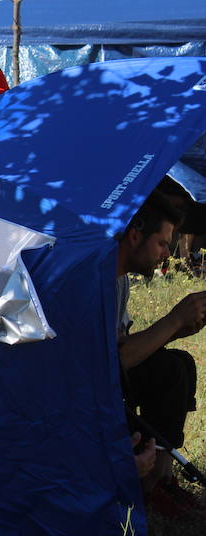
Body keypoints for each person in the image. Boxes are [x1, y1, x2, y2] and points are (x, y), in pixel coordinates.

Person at [116, 190, 206, 511]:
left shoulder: (120, 281)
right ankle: (149, 484)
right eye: (162, 243)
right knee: (169, 370)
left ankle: (161, 477)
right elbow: (110, 363)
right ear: (135, 236)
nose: (167, 254)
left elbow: (124, 346)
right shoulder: (96, 280)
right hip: (84, 391)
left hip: (106, 376)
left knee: (179, 363)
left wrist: (177, 330)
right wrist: (173, 320)